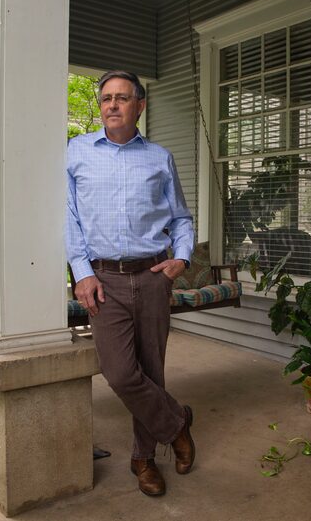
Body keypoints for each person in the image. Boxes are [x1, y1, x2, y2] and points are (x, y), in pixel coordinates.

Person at [65, 70, 196, 497]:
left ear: (140, 105)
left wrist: (182, 258)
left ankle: (143, 460)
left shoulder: (159, 158)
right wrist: (81, 272)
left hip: (154, 275)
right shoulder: (77, 152)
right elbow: (68, 218)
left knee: (151, 371)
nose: (112, 105)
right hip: (103, 281)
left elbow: (180, 218)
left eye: (122, 98)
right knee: (120, 373)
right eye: (106, 98)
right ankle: (176, 424)